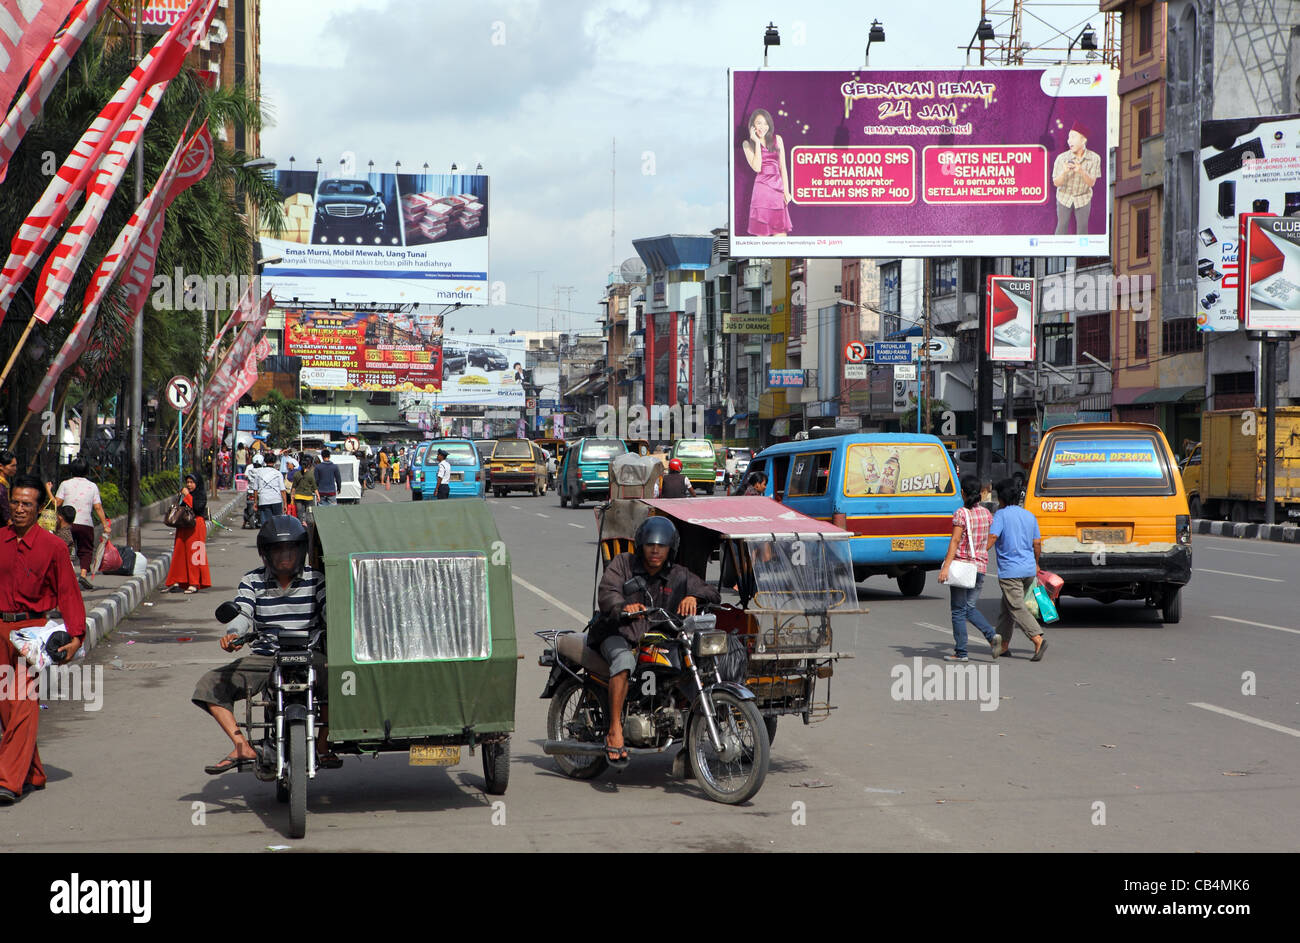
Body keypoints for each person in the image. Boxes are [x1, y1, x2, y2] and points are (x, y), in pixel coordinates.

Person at [192, 515, 337, 774]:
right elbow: (243, 613)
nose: (285, 556)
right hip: (266, 657)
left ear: (301, 551)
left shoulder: (317, 579)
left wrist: (342, 624)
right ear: (265, 554)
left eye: (291, 549)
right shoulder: (252, 581)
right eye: (278, 550)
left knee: (348, 680)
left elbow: (330, 611)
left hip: (310, 654)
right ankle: (241, 745)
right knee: (209, 685)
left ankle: (323, 744)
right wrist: (234, 635)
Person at [590, 516, 720, 764]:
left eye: (661, 546)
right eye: (651, 545)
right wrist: (623, 607)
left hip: (657, 640)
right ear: (641, 545)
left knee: (687, 668)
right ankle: (615, 729)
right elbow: (608, 593)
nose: (656, 550)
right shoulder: (623, 564)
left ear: (670, 548)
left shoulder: (678, 574)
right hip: (617, 632)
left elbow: (710, 590)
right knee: (624, 662)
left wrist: (694, 596)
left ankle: (687, 740)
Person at [0, 475, 86, 803]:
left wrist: (76, 635)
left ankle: (8, 780)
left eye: (27, 504)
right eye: (15, 502)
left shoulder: (53, 547)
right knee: (6, 709)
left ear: (38, 509)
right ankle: (33, 772)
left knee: (22, 703)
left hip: (32, 634)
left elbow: (68, 592)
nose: (19, 509)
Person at [937, 476, 1000, 662]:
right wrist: (980, 553)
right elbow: (989, 538)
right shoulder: (986, 514)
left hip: (963, 567)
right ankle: (991, 636)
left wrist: (946, 567)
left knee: (958, 610)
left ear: (962, 492)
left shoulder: (961, 514)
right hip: (980, 566)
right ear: (981, 493)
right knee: (969, 608)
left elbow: (955, 541)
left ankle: (961, 652)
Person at [988, 478, 1048, 661]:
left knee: (1016, 607)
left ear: (1002, 499)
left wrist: (978, 553)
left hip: (1010, 572)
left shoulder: (1001, 515)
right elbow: (1037, 544)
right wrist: (1036, 563)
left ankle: (1037, 637)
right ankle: (1003, 645)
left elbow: (992, 537)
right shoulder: (1029, 515)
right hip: (1028, 569)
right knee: (1006, 609)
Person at [49, 459, 110, 591]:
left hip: (66, 523)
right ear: (87, 471)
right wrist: (105, 524)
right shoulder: (92, 486)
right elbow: (98, 507)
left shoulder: (65, 484)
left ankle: (65, 574)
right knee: (86, 549)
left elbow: (56, 503)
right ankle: (82, 574)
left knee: (65, 549)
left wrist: (48, 490)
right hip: (85, 523)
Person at [741, 108, 792, 237]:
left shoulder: (777, 139)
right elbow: (757, 167)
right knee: (762, 238)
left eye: (765, 123)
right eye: (759, 123)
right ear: (753, 125)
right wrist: (757, 142)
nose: (762, 127)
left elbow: (783, 168)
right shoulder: (747, 144)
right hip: (762, 192)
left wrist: (786, 191)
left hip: (777, 190)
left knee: (781, 237)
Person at [1052, 120, 1101, 235]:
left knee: (1083, 228)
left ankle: (1082, 252)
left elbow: (1091, 183)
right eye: (1069, 138)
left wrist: (1081, 171)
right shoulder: (1061, 158)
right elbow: (1056, 183)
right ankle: (1058, 251)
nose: (1069, 141)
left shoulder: (1094, 158)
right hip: (1064, 196)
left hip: (1083, 197)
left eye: (1073, 137)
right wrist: (1064, 172)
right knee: (1062, 225)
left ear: (1083, 140)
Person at [165, 473, 211, 594]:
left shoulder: (200, 495)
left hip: (196, 527)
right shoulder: (187, 496)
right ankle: (178, 581)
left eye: (192, 482)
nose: (189, 485)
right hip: (184, 527)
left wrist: (187, 495)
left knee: (196, 554)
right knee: (179, 553)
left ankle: (195, 583)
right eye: (188, 482)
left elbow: (197, 507)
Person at [248, 452, 288, 526]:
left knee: (266, 524)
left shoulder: (259, 473)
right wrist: (285, 504)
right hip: (276, 500)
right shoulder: (278, 473)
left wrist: (255, 502)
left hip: (264, 500)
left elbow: (255, 489)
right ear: (275, 461)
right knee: (277, 523)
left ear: (265, 461)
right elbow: (282, 490)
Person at [291, 455, 318, 524]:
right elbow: (314, 487)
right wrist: (318, 495)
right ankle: (308, 525)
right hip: (308, 497)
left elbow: (294, 486)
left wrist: (292, 496)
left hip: (298, 496)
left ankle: (302, 524)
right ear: (308, 465)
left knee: (300, 512)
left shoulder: (296, 474)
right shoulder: (311, 474)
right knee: (308, 512)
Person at [0, 450, 17, 527]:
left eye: (15, 465)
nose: (15, 468)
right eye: (12, 466)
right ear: (1, 466)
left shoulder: (5, 484)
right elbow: (4, 510)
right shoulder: (1, 487)